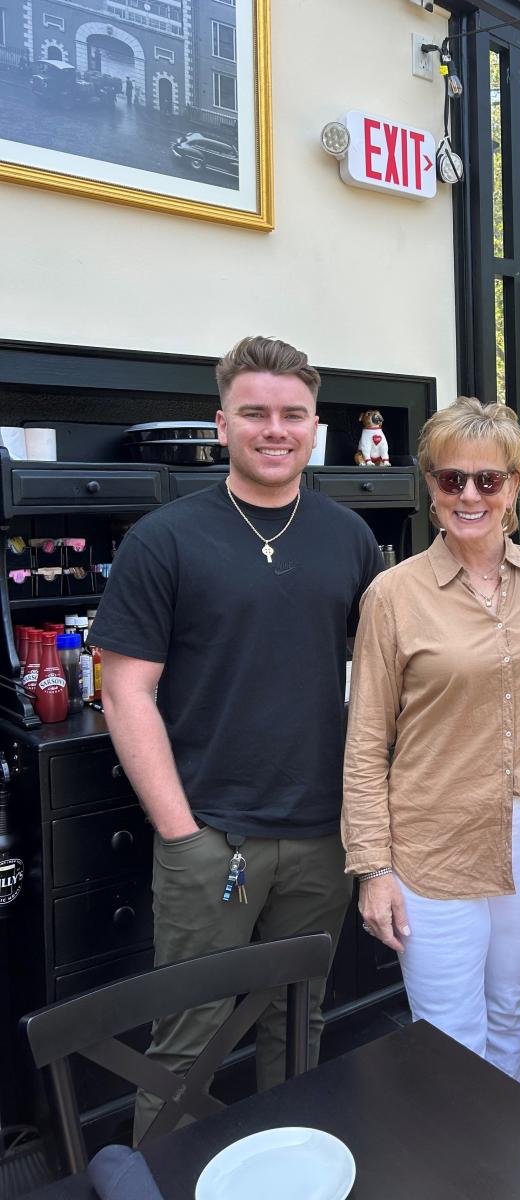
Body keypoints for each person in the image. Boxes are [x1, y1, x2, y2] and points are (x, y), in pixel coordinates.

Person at [96, 336, 382, 1139]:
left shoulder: (348, 539)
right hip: (209, 835)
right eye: (254, 412)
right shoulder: (166, 538)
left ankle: (285, 1174)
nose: (274, 429)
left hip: (322, 835)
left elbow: (387, 678)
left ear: (315, 428)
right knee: (184, 1042)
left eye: (292, 414)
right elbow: (125, 691)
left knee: (300, 1027)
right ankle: (161, 1182)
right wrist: (180, 834)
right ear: (221, 424)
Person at [341, 397, 520, 1083]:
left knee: (509, 1009)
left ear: (515, 485)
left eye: (488, 480)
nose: (469, 494)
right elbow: (366, 741)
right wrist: (373, 869)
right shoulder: (393, 595)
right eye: (450, 479)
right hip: (432, 843)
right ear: (430, 487)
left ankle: (505, 1167)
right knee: (448, 1035)